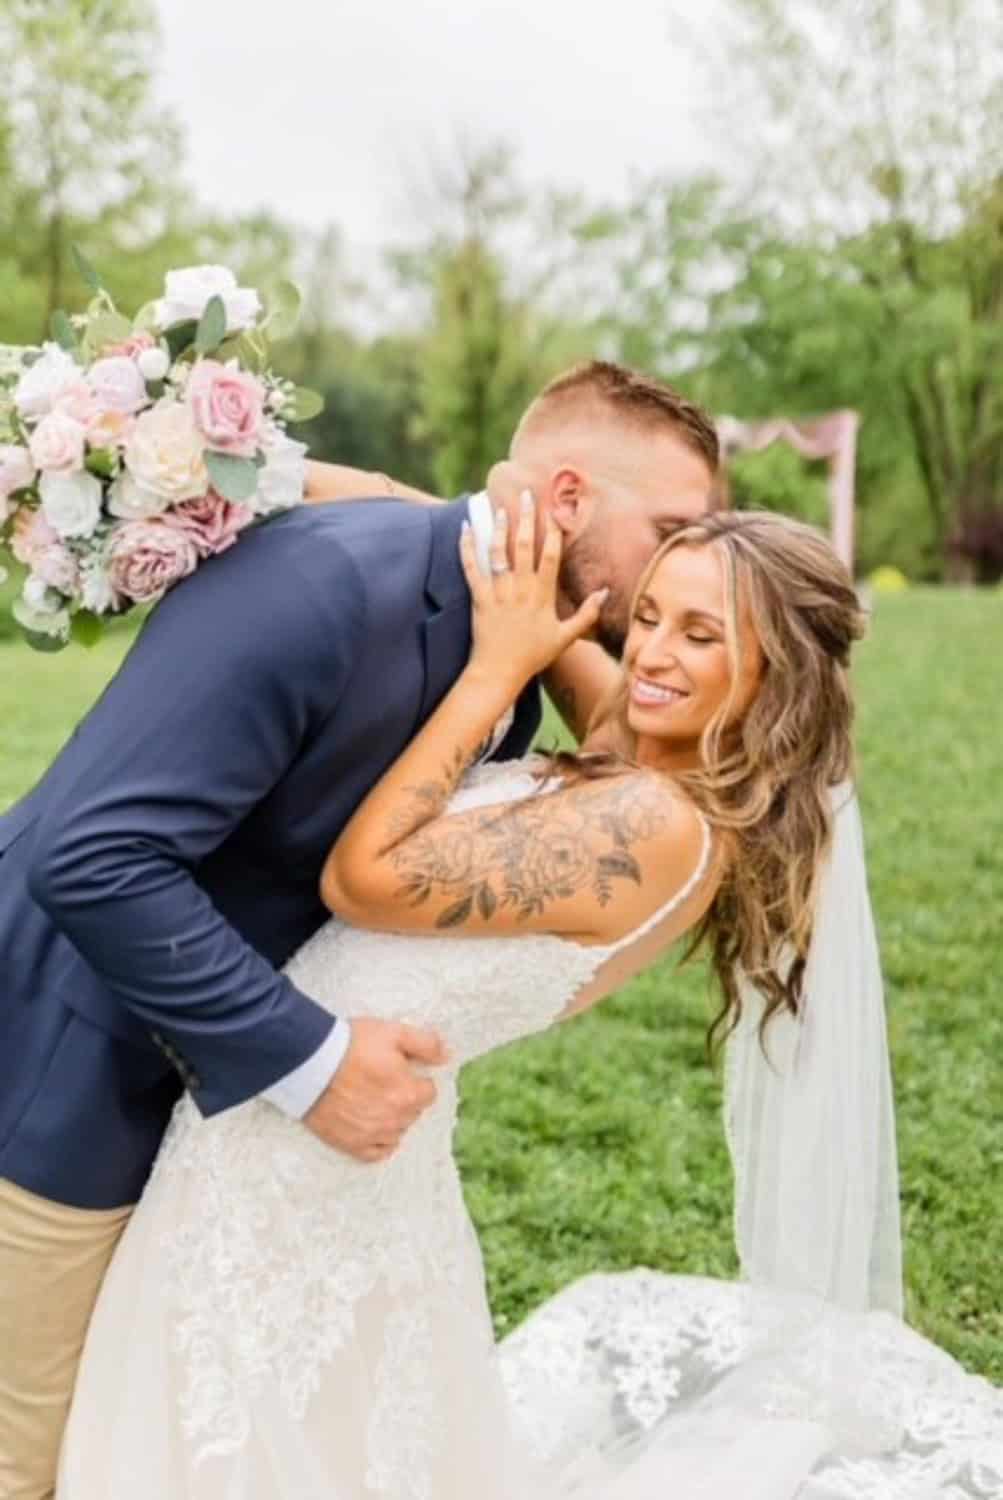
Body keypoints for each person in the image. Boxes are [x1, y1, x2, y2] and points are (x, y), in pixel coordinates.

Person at [57, 502, 1002, 1497]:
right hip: (315, 1133)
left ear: (777, 671)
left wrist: (491, 674)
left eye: (702, 634)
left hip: (308, 1161)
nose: (650, 654)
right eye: (649, 616)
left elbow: (361, 879)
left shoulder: (655, 823)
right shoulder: (642, 749)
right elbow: (549, 612)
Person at [0, 360, 717, 1500]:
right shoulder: (328, 583)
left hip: (199, 1127)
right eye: (670, 532)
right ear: (570, 498)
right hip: (59, 1085)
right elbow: (94, 857)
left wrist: (532, 631)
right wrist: (314, 1062)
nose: (678, 567)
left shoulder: (508, 646)